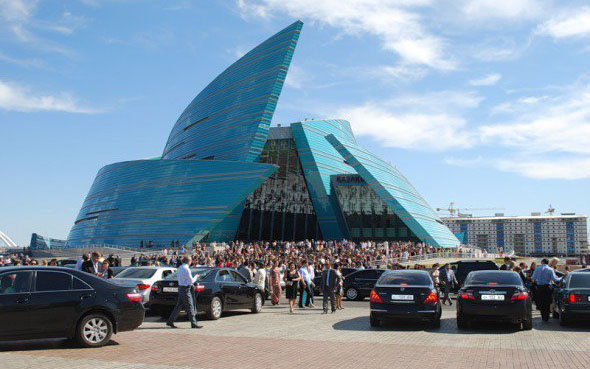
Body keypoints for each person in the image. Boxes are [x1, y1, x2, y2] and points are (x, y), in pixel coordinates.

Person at [167, 255, 202, 329]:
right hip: (186, 289)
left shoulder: (180, 268)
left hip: (181, 288)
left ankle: (170, 321)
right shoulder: (187, 269)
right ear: (189, 261)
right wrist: (196, 277)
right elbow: (191, 281)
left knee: (179, 306)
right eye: (191, 261)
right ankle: (194, 323)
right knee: (190, 306)